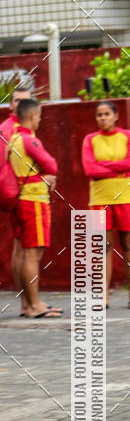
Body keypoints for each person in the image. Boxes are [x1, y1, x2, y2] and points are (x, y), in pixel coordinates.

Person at [0, 87, 59, 316]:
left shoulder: (12, 136)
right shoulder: (24, 137)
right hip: (31, 199)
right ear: (33, 116)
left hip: (18, 197)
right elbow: (52, 165)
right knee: (31, 253)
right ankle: (32, 305)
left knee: (24, 251)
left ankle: (30, 304)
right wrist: (43, 177)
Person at [81, 101, 130, 309]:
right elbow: (89, 169)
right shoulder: (90, 140)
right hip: (99, 199)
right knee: (103, 247)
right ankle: (103, 297)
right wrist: (117, 169)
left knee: (128, 244)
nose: (102, 118)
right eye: (99, 115)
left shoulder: (128, 136)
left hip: (125, 197)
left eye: (106, 114)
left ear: (116, 116)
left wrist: (103, 167)